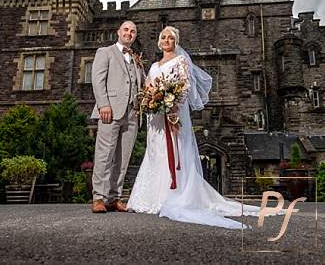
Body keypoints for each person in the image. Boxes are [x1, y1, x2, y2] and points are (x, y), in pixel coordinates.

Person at [127, 26, 267, 228]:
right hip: (156, 118)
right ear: (159, 41)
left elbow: (184, 87)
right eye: (163, 37)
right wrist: (150, 101)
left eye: (171, 38)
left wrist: (172, 106)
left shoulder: (181, 61)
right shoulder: (155, 65)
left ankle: (174, 194)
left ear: (176, 42)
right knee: (155, 151)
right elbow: (148, 87)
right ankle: (150, 197)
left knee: (174, 152)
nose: (166, 40)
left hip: (174, 113)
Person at [90, 21, 143, 213]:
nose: (129, 33)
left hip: (132, 113)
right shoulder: (105, 52)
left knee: (123, 157)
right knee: (105, 154)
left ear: (135, 36)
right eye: (126, 30)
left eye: (133, 31)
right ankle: (98, 198)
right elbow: (98, 79)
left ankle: (114, 197)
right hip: (109, 111)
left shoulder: (136, 58)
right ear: (118, 32)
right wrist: (103, 104)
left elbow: (141, 85)